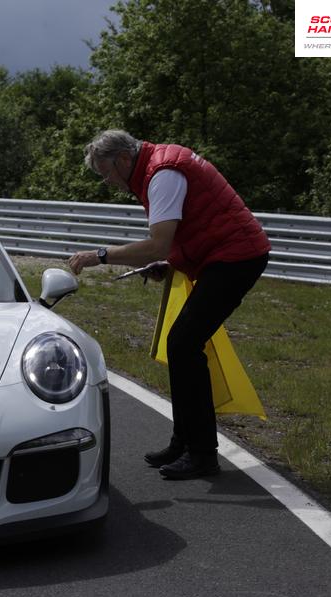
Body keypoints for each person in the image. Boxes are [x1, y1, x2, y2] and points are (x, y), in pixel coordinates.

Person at [67, 130, 271, 480]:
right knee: (182, 345)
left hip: (237, 258)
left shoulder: (162, 174)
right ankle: (185, 442)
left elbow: (159, 243)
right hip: (227, 256)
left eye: (107, 173)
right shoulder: (159, 166)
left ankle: (203, 454)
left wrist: (101, 256)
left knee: (183, 344)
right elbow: (181, 235)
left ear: (124, 159)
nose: (109, 182)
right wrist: (170, 263)